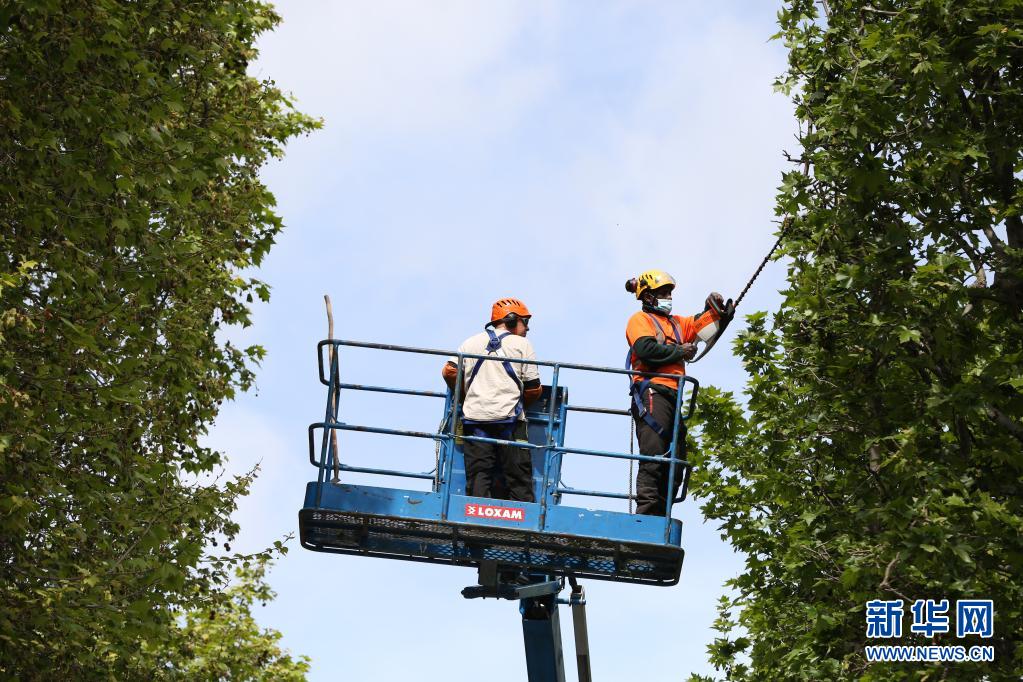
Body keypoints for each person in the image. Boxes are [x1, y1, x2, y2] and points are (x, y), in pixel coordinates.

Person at [624, 269, 724, 516]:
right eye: (663, 293)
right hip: (652, 392)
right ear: (648, 296)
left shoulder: (677, 324)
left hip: (672, 397)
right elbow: (646, 350)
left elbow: (702, 326)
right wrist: (680, 351)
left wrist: (715, 309)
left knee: (676, 463)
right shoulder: (640, 320)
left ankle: (661, 515)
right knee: (654, 456)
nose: (668, 297)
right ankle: (646, 516)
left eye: (669, 292)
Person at [442, 298, 542, 502]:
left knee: (478, 476)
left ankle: (476, 515)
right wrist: (520, 404)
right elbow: (534, 388)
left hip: (474, 420)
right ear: (511, 319)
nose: (527, 328)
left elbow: (449, 371)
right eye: (525, 322)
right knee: (519, 479)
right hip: (510, 421)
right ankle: (522, 518)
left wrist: (465, 397)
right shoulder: (522, 344)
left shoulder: (470, 342)